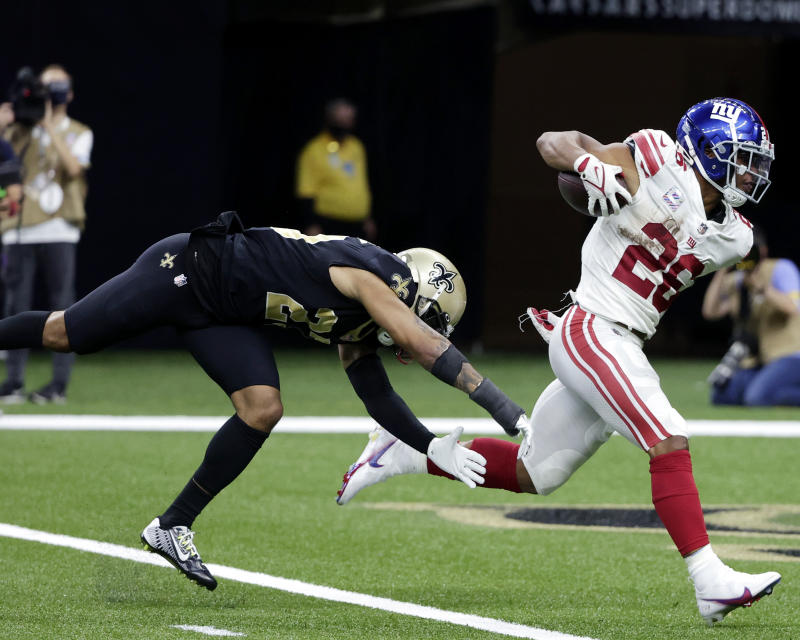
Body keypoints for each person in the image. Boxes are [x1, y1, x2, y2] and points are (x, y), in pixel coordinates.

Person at [337, 98, 781, 626]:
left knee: (535, 472)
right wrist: (590, 166)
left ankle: (406, 451)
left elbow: (689, 237)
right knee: (668, 436)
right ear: (706, 150)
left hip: (624, 339)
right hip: (591, 327)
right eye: (742, 158)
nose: (752, 172)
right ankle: (709, 580)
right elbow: (553, 142)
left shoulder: (737, 236)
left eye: (757, 161)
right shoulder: (657, 157)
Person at [0, 210, 529, 590]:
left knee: (262, 408)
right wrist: (503, 408)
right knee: (63, 333)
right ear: (411, 295)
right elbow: (422, 341)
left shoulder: (367, 320)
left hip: (224, 314)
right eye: (425, 317)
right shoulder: (373, 275)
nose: (419, 333)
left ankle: (171, 525)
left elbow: (376, 394)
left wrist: (430, 447)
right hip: (186, 270)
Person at [0, 64, 93, 404]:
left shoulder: (79, 131)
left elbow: (73, 168)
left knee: (63, 307)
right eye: (45, 85)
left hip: (59, 227)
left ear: (69, 93)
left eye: (58, 85)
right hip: (19, 228)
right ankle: (12, 382)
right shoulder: (19, 129)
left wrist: (50, 126)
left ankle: (58, 386)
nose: (50, 91)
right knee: (15, 306)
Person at [701, 228, 800, 407]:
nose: (745, 256)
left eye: (749, 249)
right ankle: (774, 386)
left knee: (757, 398)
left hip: (797, 355)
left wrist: (763, 289)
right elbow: (710, 311)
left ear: (763, 251)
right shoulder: (738, 281)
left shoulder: (781, 269)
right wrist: (721, 268)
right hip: (765, 359)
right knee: (722, 395)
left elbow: (793, 308)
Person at [296, 98, 376, 240]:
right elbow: (306, 191)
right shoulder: (314, 149)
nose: (346, 123)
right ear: (331, 119)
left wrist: (366, 218)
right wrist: (311, 223)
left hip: (357, 225)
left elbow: (360, 185)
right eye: (342, 119)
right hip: (328, 225)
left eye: (349, 119)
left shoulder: (356, 146)